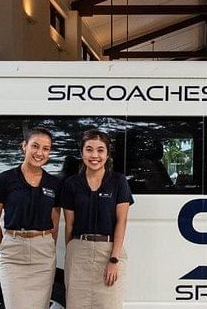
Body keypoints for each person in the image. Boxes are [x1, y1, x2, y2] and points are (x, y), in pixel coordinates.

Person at [0, 127, 62, 309]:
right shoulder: (4, 180)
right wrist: (2, 247)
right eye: (35, 146)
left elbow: (55, 221)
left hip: (43, 253)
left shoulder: (54, 183)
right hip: (13, 252)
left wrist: (48, 244)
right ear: (24, 146)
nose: (40, 153)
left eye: (46, 148)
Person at [61, 130, 133, 308]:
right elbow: (69, 225)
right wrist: (72, 253)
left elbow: (121, 222)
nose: (95, 155)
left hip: (108, 253)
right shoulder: (72, 183)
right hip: (79, 253)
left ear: (107, 154)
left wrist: (114, 260)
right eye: (89, 149)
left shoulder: (118, 181)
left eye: (100, 150)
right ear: (82, 153)